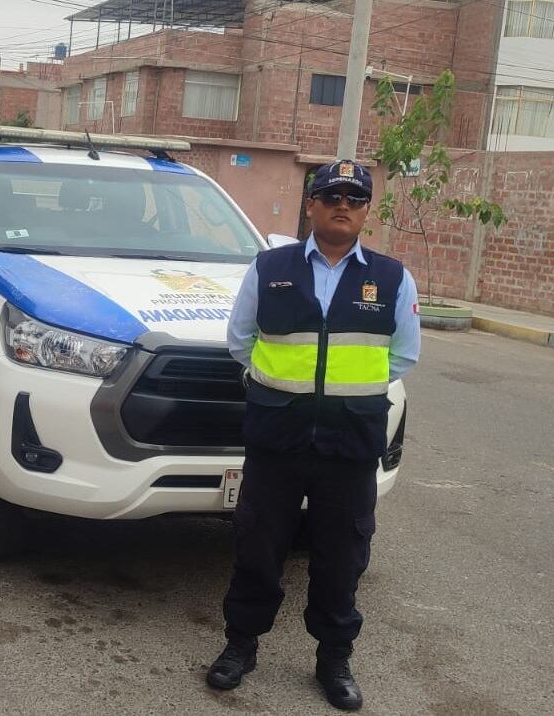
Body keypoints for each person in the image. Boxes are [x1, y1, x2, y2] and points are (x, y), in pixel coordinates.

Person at [208, 160, 421, 711]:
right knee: (258, 546)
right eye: (331, 196)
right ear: (311, 206)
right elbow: (240, 340)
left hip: (349, 444)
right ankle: (240, 645)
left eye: (354, 198)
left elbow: (402, 355)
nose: (342, 205)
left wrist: (344, 394)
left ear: (367, 210)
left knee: (342, 556)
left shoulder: (392, 278)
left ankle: (334, 659)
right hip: (277, 438)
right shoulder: (269, 268)